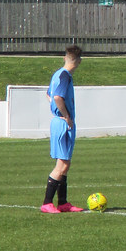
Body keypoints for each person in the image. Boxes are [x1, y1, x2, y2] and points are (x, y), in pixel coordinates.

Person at [41, 45, 84, 213]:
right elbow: (57, 97)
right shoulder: (64, 76)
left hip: (59, 121)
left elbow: (49, 95)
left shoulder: (58, 74)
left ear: (65, 57)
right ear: (79, 61)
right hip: (62, 123)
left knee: (65, 164)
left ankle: (63, 202)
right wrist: (66, 116)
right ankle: (47, 203)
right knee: (62, 164)